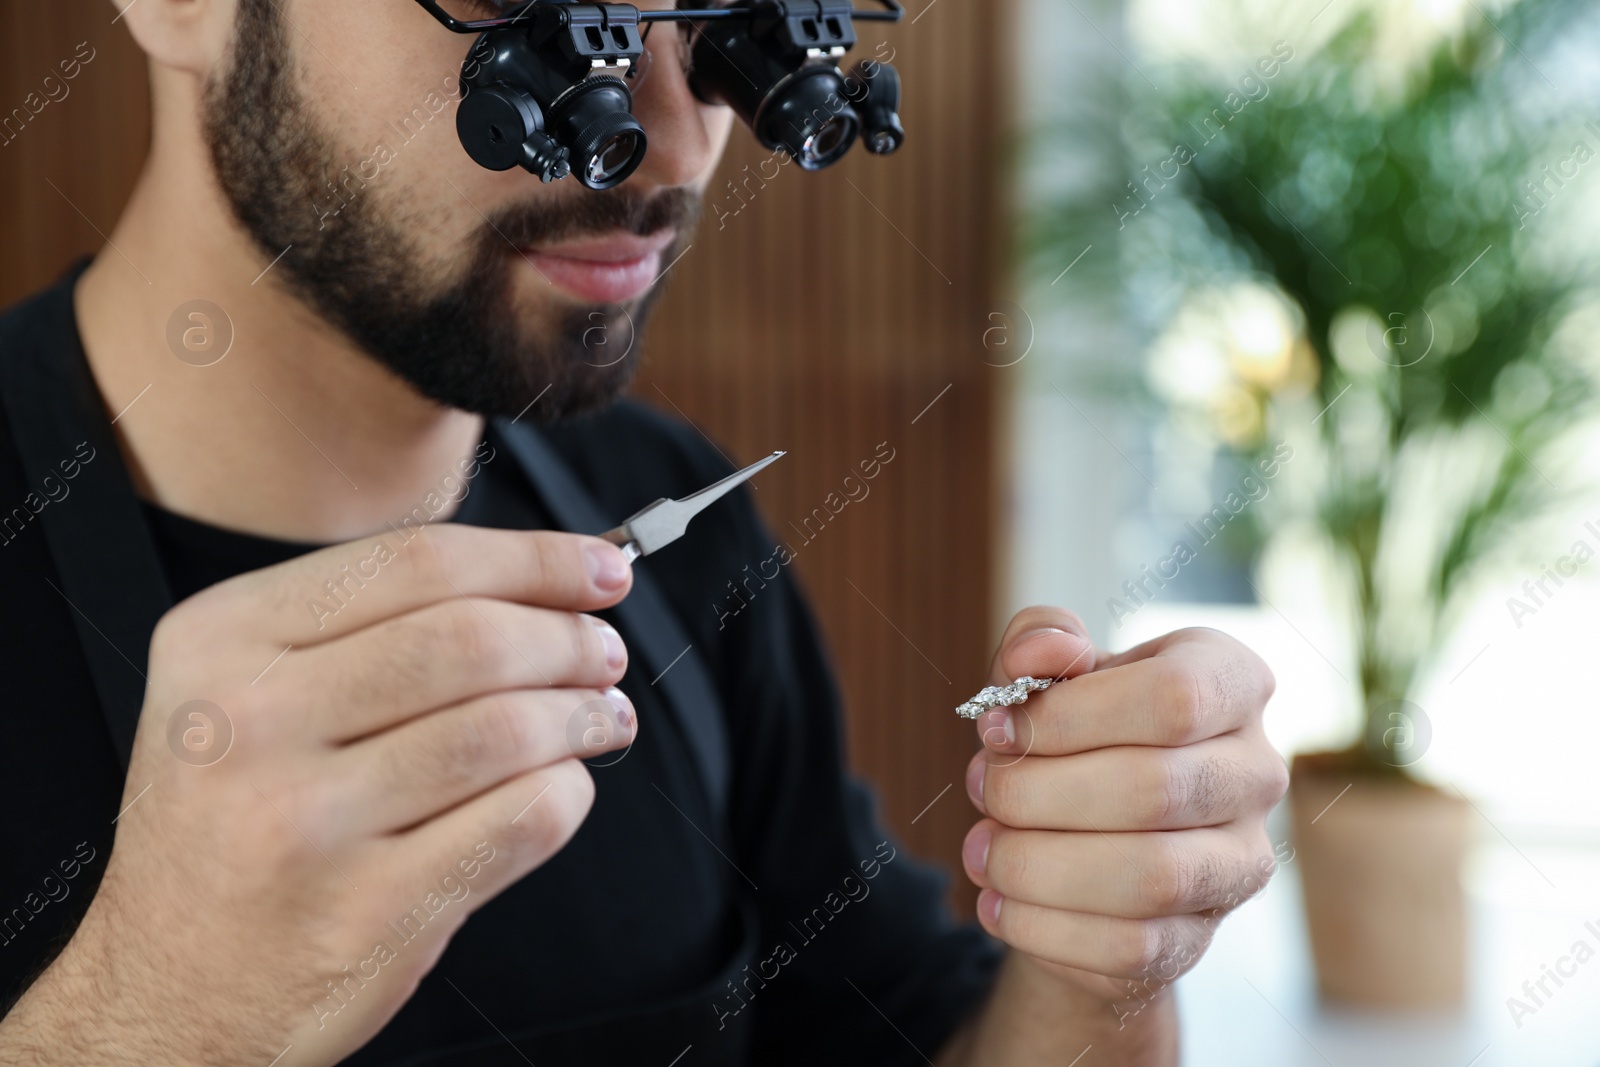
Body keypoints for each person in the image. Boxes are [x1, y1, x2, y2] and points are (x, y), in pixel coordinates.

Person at [0, 1, 1287, 1064]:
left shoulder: (676, 525)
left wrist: (1104, 963)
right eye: (545, 21)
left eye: (726, 25)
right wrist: (149, 1018)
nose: (669, 146)